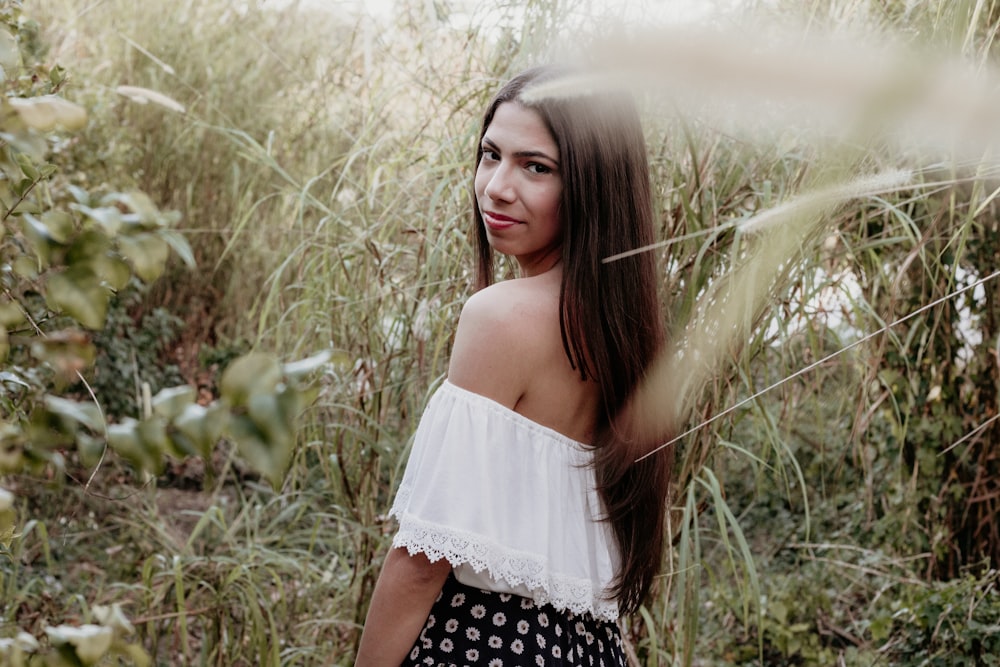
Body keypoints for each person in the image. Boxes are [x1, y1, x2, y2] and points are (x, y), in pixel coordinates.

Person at [354, 65, 673, 666]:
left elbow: (423, 560)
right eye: (490, 154)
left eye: (536, 167)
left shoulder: (500, 318)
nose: (497, 187)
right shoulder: (629, 335)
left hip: (483, 642)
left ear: (593, 186)